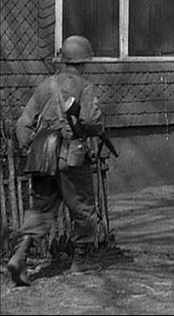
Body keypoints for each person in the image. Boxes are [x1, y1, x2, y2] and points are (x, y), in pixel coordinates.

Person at [8, 35, 105, 286]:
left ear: (63, 60)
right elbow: (92, 122)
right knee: (83, 208)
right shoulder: (85, 87)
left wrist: (32, 148)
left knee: (41, 210)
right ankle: (80, 261)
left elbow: (22, 125)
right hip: (70, 156)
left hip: (42, 156)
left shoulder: (46, 86)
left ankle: (20, 255)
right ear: (84, 61)